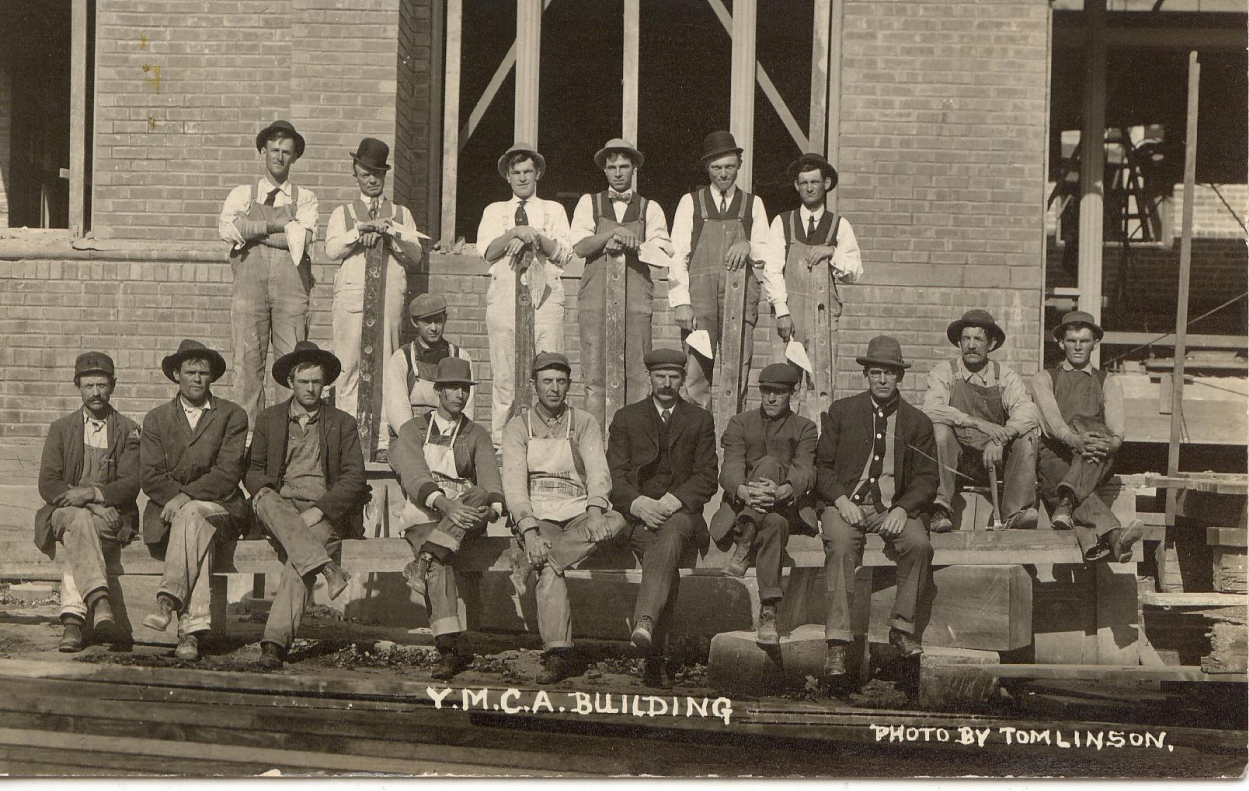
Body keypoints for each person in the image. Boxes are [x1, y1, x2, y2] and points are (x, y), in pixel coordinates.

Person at [501, 352, 627, 685]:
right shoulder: (518, 427)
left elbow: (599, 471)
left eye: (561, 381)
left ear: (569, 384)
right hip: (539, 513)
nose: (554, 389)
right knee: (548, 567)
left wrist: (597, 510)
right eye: (547, 382)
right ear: (534, 385)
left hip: (577, 512)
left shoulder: (583, 422)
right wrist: (528, 532)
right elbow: (514, 487)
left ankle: (542, 561)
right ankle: (558, 654)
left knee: (616, 522)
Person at [815, 336, 936, 679]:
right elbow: (821, 467)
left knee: (919, 545)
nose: (883, 380)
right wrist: (839, 500)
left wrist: (904, 509)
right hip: (846, 504)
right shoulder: (842, 412)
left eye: (890, 373)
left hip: (891, 507)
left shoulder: (917, 422)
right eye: (876, 373)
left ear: (900, 377)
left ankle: (902, 629)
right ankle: (838, 642)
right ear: (866, 375)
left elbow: (927, 478)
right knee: (839, 547)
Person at [244, 341, 369, 669]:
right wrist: (264, 492)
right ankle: (327, 567)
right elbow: (253, 470)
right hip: (279, 508)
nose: (311, 388)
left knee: (300, 560)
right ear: (290, 383)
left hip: (321, 512)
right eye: (304, 382)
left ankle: (273, 644)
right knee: (265, 498)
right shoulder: (270, 419)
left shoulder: (342, 423)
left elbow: (354, 477)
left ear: (324, 383)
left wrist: (321, 510)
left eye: (317, 382)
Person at [606, 349, 718, 688]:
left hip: (681, 516)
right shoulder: (627, 418)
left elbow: (707, 476)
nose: (667, 383)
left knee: (669, 539)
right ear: (649, 378)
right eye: (660, 376)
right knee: (663, 558)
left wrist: (673, 501)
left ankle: (645, 623)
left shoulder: (699, 419)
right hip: (637, 517)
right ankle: (657, 659)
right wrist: (638, 504)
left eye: (673, 377)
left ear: (683, 379)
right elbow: (615, 474)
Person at [389, 356, 504, 681]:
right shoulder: (412, 430)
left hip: (467, 516)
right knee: (441, 564)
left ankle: (424, 558)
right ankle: (449, 648)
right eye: (452, 388)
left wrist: (489, 511)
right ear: (438, 391)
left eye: (464, 389)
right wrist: (445, 505)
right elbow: (412, 474)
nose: (459, 395)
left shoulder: (476, 434)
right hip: (424, 515)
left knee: (479, 494)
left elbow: (491, 482)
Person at [140, 340, 249, 661]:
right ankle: (190, 633)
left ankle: (167, 599)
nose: (198, 379)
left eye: (204, 373)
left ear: (212, 377)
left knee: (193, 515)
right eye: (191, 372)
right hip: (170, 513)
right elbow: (150, 475)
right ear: (176, 374)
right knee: (193, 526)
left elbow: (227, 474)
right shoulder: (156, 419)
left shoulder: (232, 415)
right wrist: (178, 499)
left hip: (222, 507)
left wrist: (186, 496)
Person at [668, 131, 784, 412]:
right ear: (707, 168)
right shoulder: (690, 202)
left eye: (729, 167)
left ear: (739, 165)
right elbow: (677, 255)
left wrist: (749, 245)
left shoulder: (752, 203)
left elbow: (769, 251)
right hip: (700, 300)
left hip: (740, 298)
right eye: (717, 168)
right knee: (696, 374)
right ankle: (701, 444)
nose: (723, 174)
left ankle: (732, 443)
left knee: (737, 370)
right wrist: (681, 302)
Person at [326, 138, 426, 458]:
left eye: (378, 173)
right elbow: (331, 249)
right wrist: (361, 230)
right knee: (349, 365)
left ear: (385, 175)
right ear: (355, 172)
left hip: (387, 297)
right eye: (366, 173)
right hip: (352, 297)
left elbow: (415, 255)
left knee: (387, 363)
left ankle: (382, 440)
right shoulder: (343, 213)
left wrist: (388, 234)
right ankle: (348, 440)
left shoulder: (400, 213)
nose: (372, 179)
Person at [35, 352, 141, 652]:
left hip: (112, 519)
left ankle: (72, 621)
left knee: (79, 531)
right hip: (66, 512)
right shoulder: (61, 428)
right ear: (77, 387)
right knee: (79, 521)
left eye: (102, 385)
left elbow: (132, 482)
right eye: (88, 385)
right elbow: (48, 483)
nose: (95, 393)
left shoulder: (128, 429)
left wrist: (93, 494)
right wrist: (94, 502)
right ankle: (99, 600)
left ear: (113, 386)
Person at [217, 120, 318, 434]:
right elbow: (227, 230)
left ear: (295, 157)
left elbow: (302, 238)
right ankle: (247, 442)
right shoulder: (241, 194)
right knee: (247, 367)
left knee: (291, 367)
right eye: (274, 149)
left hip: (292, 293)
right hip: (249, 291)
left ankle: (288, 439)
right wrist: (279, 226)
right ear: (263, 151)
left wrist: (252, 231)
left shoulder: (306, 198)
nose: (279, 156)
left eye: (287, 151)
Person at [570, 138, 674, 429]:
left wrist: (636, 243)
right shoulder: (588, 203)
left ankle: (634, 443)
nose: (618, 173)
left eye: (624, 166)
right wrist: (612, 233)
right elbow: (579, 246)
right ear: (604, 170)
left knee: (638, 374)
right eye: (612, 167)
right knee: (594, 375)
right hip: (595, 300)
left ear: (634, 169)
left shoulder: (649, 208)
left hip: (636, 301)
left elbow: (664, 254)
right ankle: (595, 444)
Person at [476, 142, 574, 446]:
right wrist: (514, 234)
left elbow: (565, 254)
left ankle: (548, 438)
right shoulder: (495, 211)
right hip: (505, 296)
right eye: (516, 172)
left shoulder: (552, 209)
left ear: (538, 174)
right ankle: (502, 442)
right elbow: (488, 252)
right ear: (508, 176)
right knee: (505, 373)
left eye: (527, 172)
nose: (522, 178)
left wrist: (535, 236)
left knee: (548, 368)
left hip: (545, 298)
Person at [713, 363, 817, 646]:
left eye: (779, 393)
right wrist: (746, 492)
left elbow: (806, 470)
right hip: (749, 507)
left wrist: (782, 491)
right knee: (773, 524)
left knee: (771, 466)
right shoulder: (740, 423)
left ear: (792, 395)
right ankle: (769, 612)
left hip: (787, 505)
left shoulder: (804, 427)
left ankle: (745, 543)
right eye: (766, 391)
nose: (771, 398)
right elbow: (731, 467)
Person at [1031, 311, 1143, 563]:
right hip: (1057, 454)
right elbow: (1052, 423)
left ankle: (1066, 504)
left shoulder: (1108, 381)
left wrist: (1109, 444)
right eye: (1071, 341)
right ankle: (1114, 536)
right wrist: (1075, 440)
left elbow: (1117, 429)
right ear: (1061, 343)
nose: (1078, 346)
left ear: (1095, 343)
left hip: (1094, 457)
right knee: (1063, 474)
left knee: (1103, 434)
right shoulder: (1045, 377)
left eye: (1084, 341)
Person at [922, 309, 1040, 531]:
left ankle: (1015, 512)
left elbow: (1029, 411)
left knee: (1027, 438)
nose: (971, 345)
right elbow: (931, 408)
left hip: (994, 461)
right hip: (957, 462)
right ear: (959, 342)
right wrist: (976, 422)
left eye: (978, 339)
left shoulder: (1004, 375)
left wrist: (1002, 438)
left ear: (991, 344)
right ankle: (940, 509)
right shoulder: (945, 371)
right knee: (939, 431)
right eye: (966, 339)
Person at [769, 153, 863, 422]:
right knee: (783, 383)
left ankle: (818, 450)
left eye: (814, 182)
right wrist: (781, 311)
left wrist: (832, 252)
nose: (809, 187)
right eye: (803, 183)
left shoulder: (839, 225)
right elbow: (772, 270)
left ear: (826, 184)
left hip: (823, 318)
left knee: (820, 385)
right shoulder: (783, 222)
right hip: (790, 318)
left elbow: (855, 271)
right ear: (797, 187)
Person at [382, 293, 475, 440]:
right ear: (414, 322)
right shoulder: (402, 358)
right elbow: (397, 407)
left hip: (450, 434)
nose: (433, 328)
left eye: (438, 321)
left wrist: (455, 438)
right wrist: (416, 439)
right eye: (426, 322)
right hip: (410, 434)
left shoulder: (460, 356)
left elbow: (467, 406)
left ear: (446, 318)